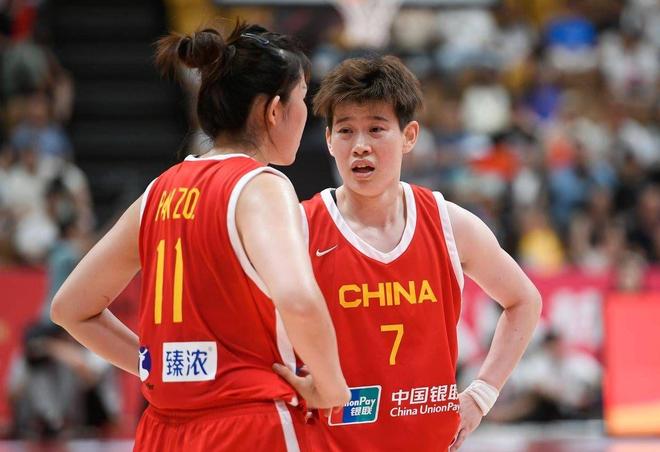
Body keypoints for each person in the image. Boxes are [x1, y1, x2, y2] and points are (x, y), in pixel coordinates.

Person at [50, 21, 349, 451]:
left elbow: (70, 308)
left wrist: (156, 368)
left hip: (162, 430)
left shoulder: (159, 190)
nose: (308, 113)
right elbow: (298, 299)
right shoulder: (260, 186)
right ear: (273, 110)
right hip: (246, 425)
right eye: (303, 99)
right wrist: (332, 386)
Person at [275, 56, 542, 451]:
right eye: (346, 130)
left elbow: (524, 301)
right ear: (330, 140)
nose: (360, 146)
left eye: (376, 129)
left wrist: (482, 394)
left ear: (409, 135)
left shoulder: (450, 224)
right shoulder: (298, 228)